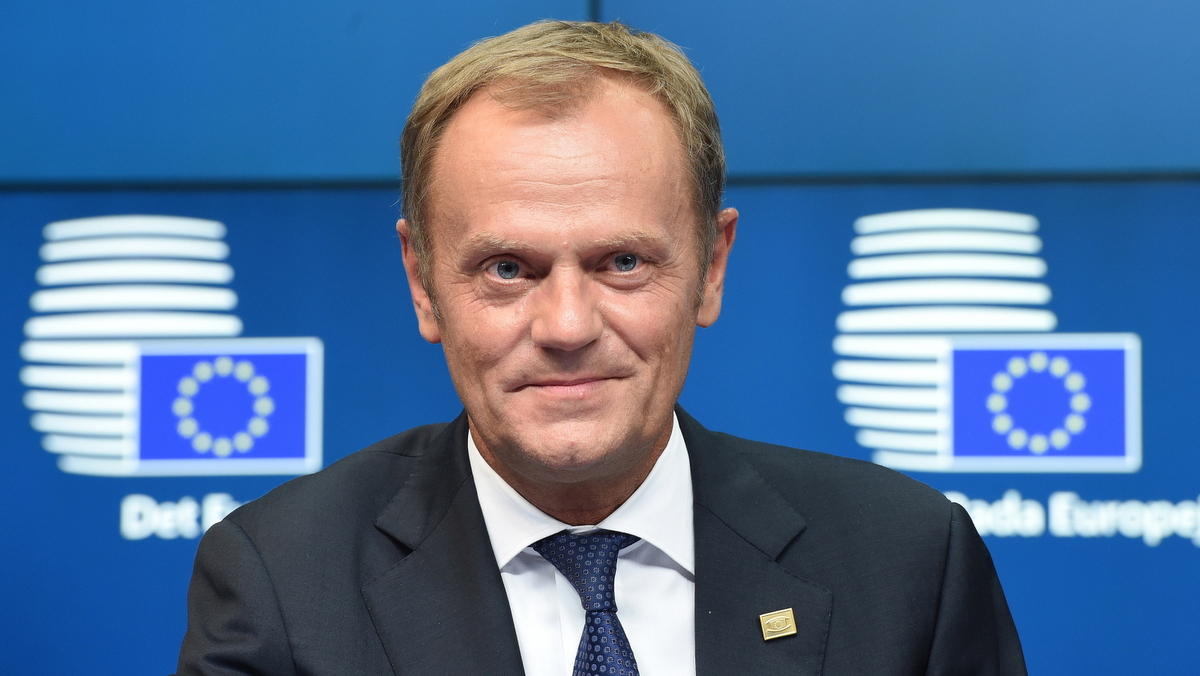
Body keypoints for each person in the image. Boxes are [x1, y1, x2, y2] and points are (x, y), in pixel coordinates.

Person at [176, 20, 1026, 676]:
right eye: (507, 269)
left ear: (711, 269)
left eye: (622, 262)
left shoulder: (909, 562)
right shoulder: (281, 583)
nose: (567, 327)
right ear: (423, 281)